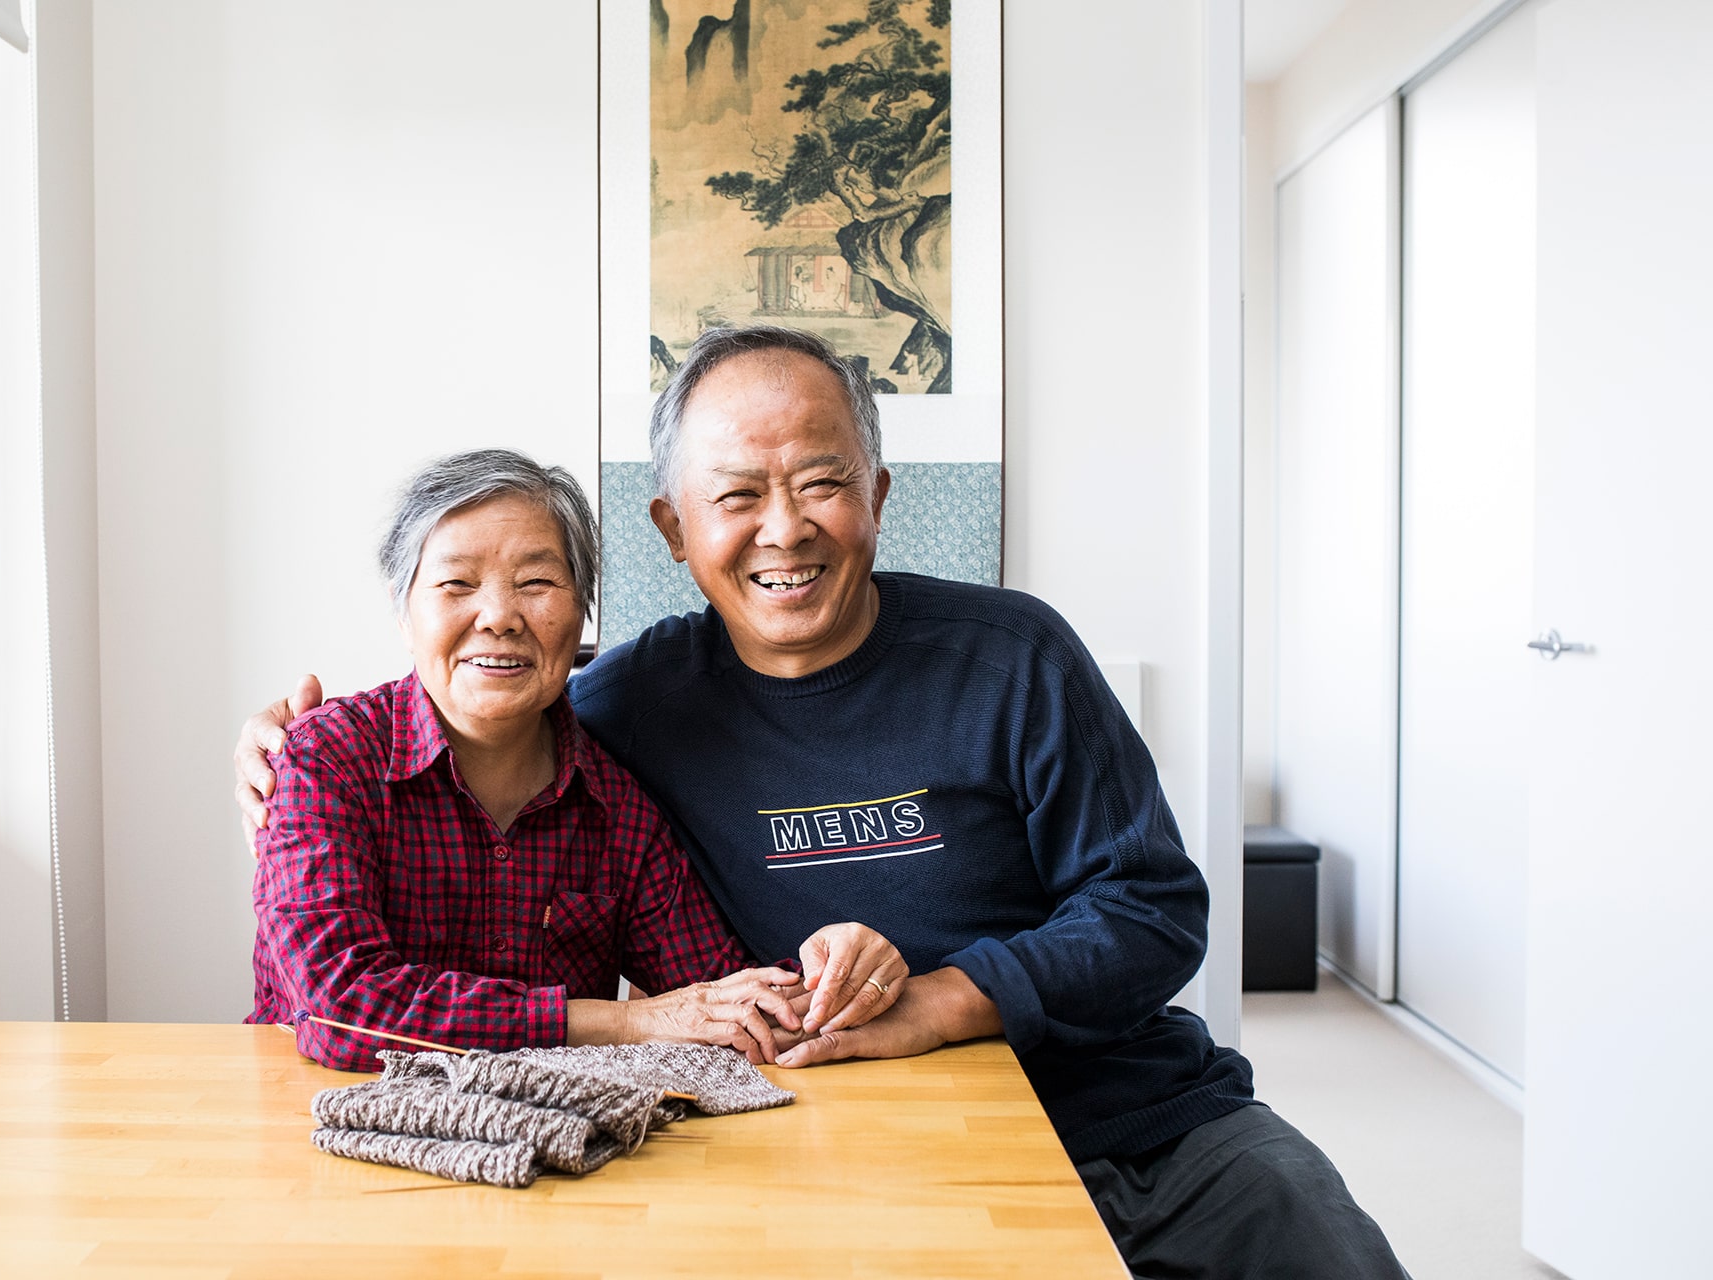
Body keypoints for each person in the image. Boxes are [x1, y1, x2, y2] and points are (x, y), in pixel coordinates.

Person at [238, 329, 1406, 1277]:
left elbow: (1155, 908)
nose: (784, 528)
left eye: (822, 482)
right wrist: (291, 753)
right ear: (675, 529)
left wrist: (944, 993)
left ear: (879, 494)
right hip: (871, 1138)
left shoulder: (1015, 656)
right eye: (737, 492)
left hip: (1147, 1116)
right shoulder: (631, 701)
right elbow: (487, 679)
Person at [248, 447, 906, 1071]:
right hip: (311, 1128)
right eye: (457, 584)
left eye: (536, 582)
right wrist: (625, 1022)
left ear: (581, 609)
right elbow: (339, 1007)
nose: (499, 616)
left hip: (550, 1157)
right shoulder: (324, 758)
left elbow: (720, 1001)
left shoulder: (616, 808)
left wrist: (843, 970)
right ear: (404, 613)